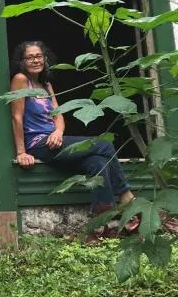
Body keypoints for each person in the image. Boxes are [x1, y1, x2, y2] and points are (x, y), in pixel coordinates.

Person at [9, 40, 137, 229]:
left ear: (45, 58)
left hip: (54, 141)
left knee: (98, 163)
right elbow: (17, 118)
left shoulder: (45, 85)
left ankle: (104, 222)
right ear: (22, 61)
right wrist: (21, 152)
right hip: (38, 144)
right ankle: (126, 197)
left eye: (38, 56)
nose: (35, 60)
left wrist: (58, 132)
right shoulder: (20, 80)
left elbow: (58, 115)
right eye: (29, 57)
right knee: (104, 145)